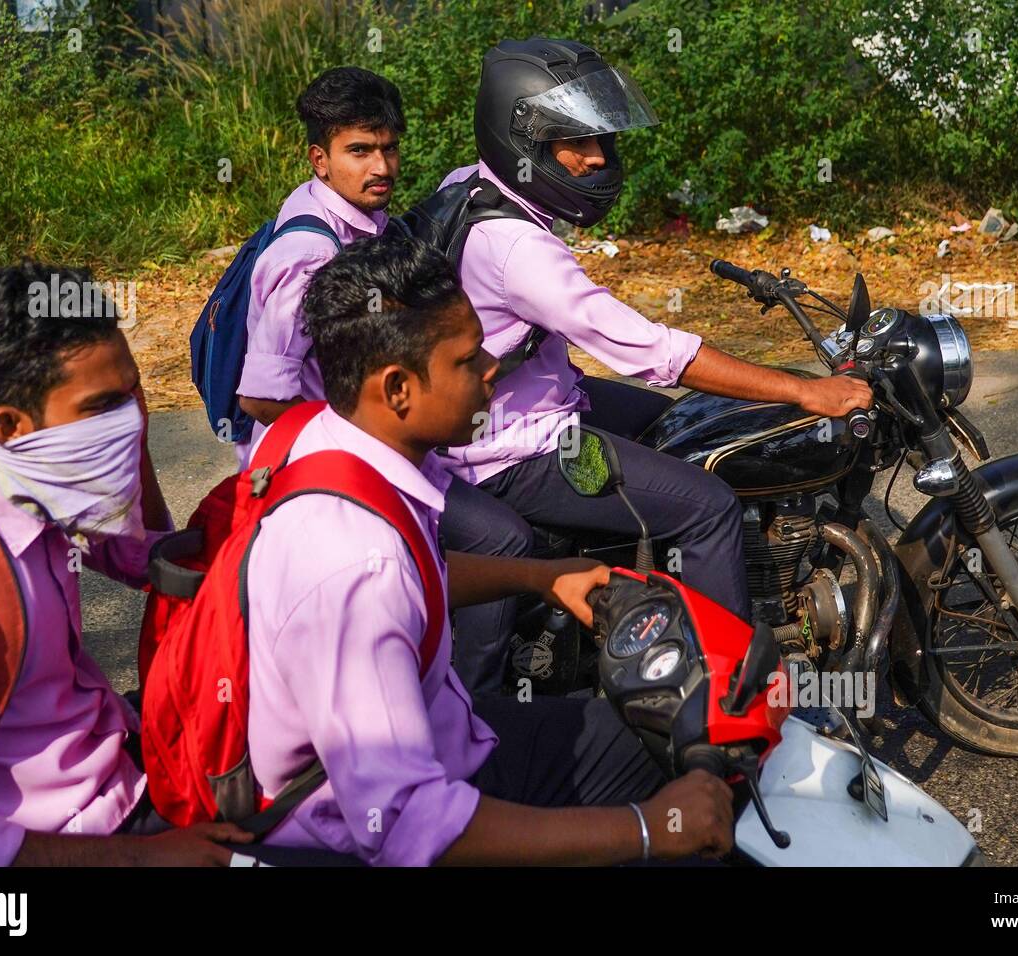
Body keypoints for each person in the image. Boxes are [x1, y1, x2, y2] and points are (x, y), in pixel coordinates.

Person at [242, 233, 736, 865]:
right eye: (468, 361)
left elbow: (417, 574)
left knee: (642, 738)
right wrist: (650, 829)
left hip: (444, 728)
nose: (492, 371)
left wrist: (540, 577)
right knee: (679, 803)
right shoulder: (353, 565)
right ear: (397, 389)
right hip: (370, 823)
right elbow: (409, 828)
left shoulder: (329, 444)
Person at [435, 37, 874, 694]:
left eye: (602, 142)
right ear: (521, 139)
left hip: (523, 407)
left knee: (692, 431)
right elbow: (648, 351)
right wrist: (805, 390)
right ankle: (727, 701)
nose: (596, 159)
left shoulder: (470, 188)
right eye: (574, 144)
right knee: (709, 505)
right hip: (507, 450)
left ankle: (652, 611)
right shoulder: (517, 248)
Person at [0, 262, 251, 866]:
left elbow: (137, 553)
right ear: (10, 427)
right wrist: (147, 858)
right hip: (72, 835)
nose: (128, 420)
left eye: (133, 395)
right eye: (104, 407)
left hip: (116, 757)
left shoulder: (18, 469)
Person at [233, 66, 405, 467]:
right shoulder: (311, 256)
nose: (381, 167)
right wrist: (352, 450)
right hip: (312, 467)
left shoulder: (323, 201)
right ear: (320, 159)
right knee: (495, 532)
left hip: (342, 442)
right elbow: (260, 396)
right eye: (359, 151)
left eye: (390, 148)